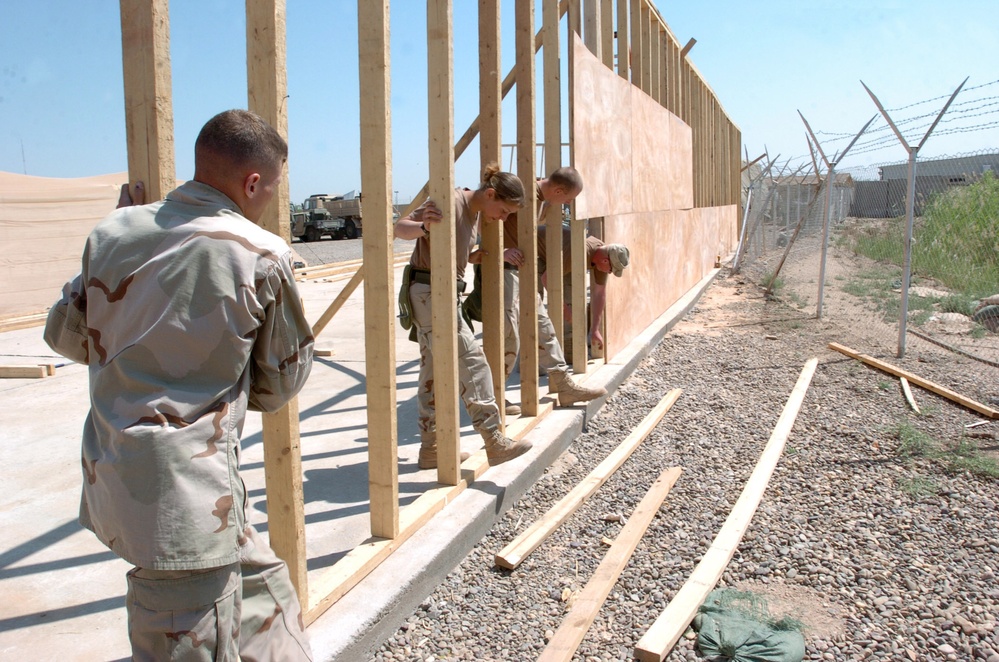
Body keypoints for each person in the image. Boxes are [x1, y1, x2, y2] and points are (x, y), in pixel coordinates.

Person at [44, 109, 315, 661]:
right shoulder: (260, 253)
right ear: (253, 182)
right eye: (273, 190)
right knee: (184, 637)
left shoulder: (112, 232)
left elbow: (66, 337)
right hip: (184, 502)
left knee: (267, 606)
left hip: (129, 475)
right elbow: (278, 386)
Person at [395, 164, 533, 469]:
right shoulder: (451, 201)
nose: (504, 218)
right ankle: (494, 441)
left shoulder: (475, 212)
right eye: (504, 211)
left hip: (441, 292)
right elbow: (400, 227)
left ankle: (431, 450)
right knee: (473, 362)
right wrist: (423, 228)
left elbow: (444, 245)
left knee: (433, 373)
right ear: (491, 194)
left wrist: (466, 257)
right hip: (431, 293)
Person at [480, 167, 607, 409]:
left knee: (545, 330)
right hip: (504, 272)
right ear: (559, 190)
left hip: (523, 272)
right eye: (568, 198)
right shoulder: (523, 193)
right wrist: (500, 251)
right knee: (508, 337)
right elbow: (483, 221)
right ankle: (494, 396)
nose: (568, 203)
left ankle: (565, 387)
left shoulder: (541, 201)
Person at [538, 224, 630, 355]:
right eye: (611, 270)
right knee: (534, 306)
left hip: (561, 256)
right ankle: (532, 357)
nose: (610, 273)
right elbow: (547, 279)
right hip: (535, 251)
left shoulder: (604, 254)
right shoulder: (580, 252)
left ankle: (566, 352)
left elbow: (599, 293)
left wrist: (595, 329)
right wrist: (564, 310)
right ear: (605, 261)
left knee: (571, 301)